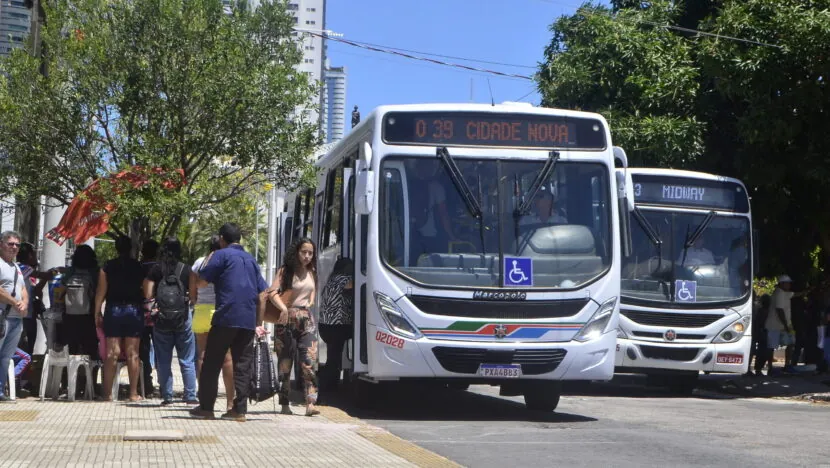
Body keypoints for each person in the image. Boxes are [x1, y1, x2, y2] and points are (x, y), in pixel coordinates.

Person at [190, 223, 268, 422]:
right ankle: (239, 410)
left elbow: (202, 282)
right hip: (247, 320)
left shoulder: (220, 255)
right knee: (242, 365)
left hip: (226, 317)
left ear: (222, 239)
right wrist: (258, 322)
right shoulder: (251, 260)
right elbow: (263, 294)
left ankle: (207, 408)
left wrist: (207, 263)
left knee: (211, 362)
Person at [268, 237, 319, 416]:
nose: (306, 256)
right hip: (286, 319)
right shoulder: (286, 271)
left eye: (310, 253)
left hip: (306, 319)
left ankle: (310, 403)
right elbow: (272, 292)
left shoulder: (311, 271)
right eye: (303, 252)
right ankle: (284, 403)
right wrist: (283, 307)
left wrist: (310, 302)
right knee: (285, 363)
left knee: (309, 361)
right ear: (296, 253)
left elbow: (312, 289)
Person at [144, 237, 197, 406]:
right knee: (187, 359)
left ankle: (167, 396)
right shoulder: (186, 269)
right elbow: (194, 297)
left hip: (162, 319)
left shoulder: (156, 269)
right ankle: (190, 395)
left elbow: (147, 294)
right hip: (183, 318)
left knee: (164, 359)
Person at [95, 235, 145, 402]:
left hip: (114, 309)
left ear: (116, 248)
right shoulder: (139, 267)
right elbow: (145, 291)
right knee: (133, 353)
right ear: (131, 248)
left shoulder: (107, 267)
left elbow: (101, 292)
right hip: (133, 309)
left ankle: (107, 394)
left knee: (111, 353)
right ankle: (133, 393)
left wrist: (97, 312)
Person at [190, 235, 234, 411]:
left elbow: (192, 290)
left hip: (202, 312)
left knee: (203, 356)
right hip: (221, 312)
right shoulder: (226, 262)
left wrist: (196, 303)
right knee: (227, 359)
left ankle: (205, 401)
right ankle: (231, 402)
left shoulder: (199, 262)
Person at [318, 257, 354, 393]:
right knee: (333, 359)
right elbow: (358, 284)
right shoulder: (344, 279)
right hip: (337, 327)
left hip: (326, 326)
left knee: (333, 356)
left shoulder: (332, 279)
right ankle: (323, 389)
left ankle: (331, 385)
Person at [0, 231, 28, 402]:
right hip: (3, 316)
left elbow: (23, 289)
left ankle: (0, 391)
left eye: (17, 245)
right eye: (10, 244)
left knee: (6, 357)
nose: (14, 247)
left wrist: (24, 303)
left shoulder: (16, 267)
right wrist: (14, 302)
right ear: (1, 244)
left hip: (16, 319)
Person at [60, 245, 100, 358]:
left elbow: (61, 290)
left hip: (69, 315)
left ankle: (70, 373)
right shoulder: (94, 272)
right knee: (90, 348)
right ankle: (90, 373)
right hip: (88, 316)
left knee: (71, 348)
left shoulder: (70, 271)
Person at [15, 242, 49, 356]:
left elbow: (36, 290)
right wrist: (53, 272)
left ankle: (22, 370)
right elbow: (42, 275)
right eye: (34, 254)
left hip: (28, 314)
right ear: (29, 256)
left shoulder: (23, 271)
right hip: (22, 315)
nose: (35, 257)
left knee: (27, 348)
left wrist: (47, 277)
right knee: (22, 348)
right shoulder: (22, 267)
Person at [139, 239, 159, 397]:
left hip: (140, 314)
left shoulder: (138, 268)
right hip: (158, 314)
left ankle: (146, 385)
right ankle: (165, 385)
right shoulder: (160, 268)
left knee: (143, 351)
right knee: (161, 350)